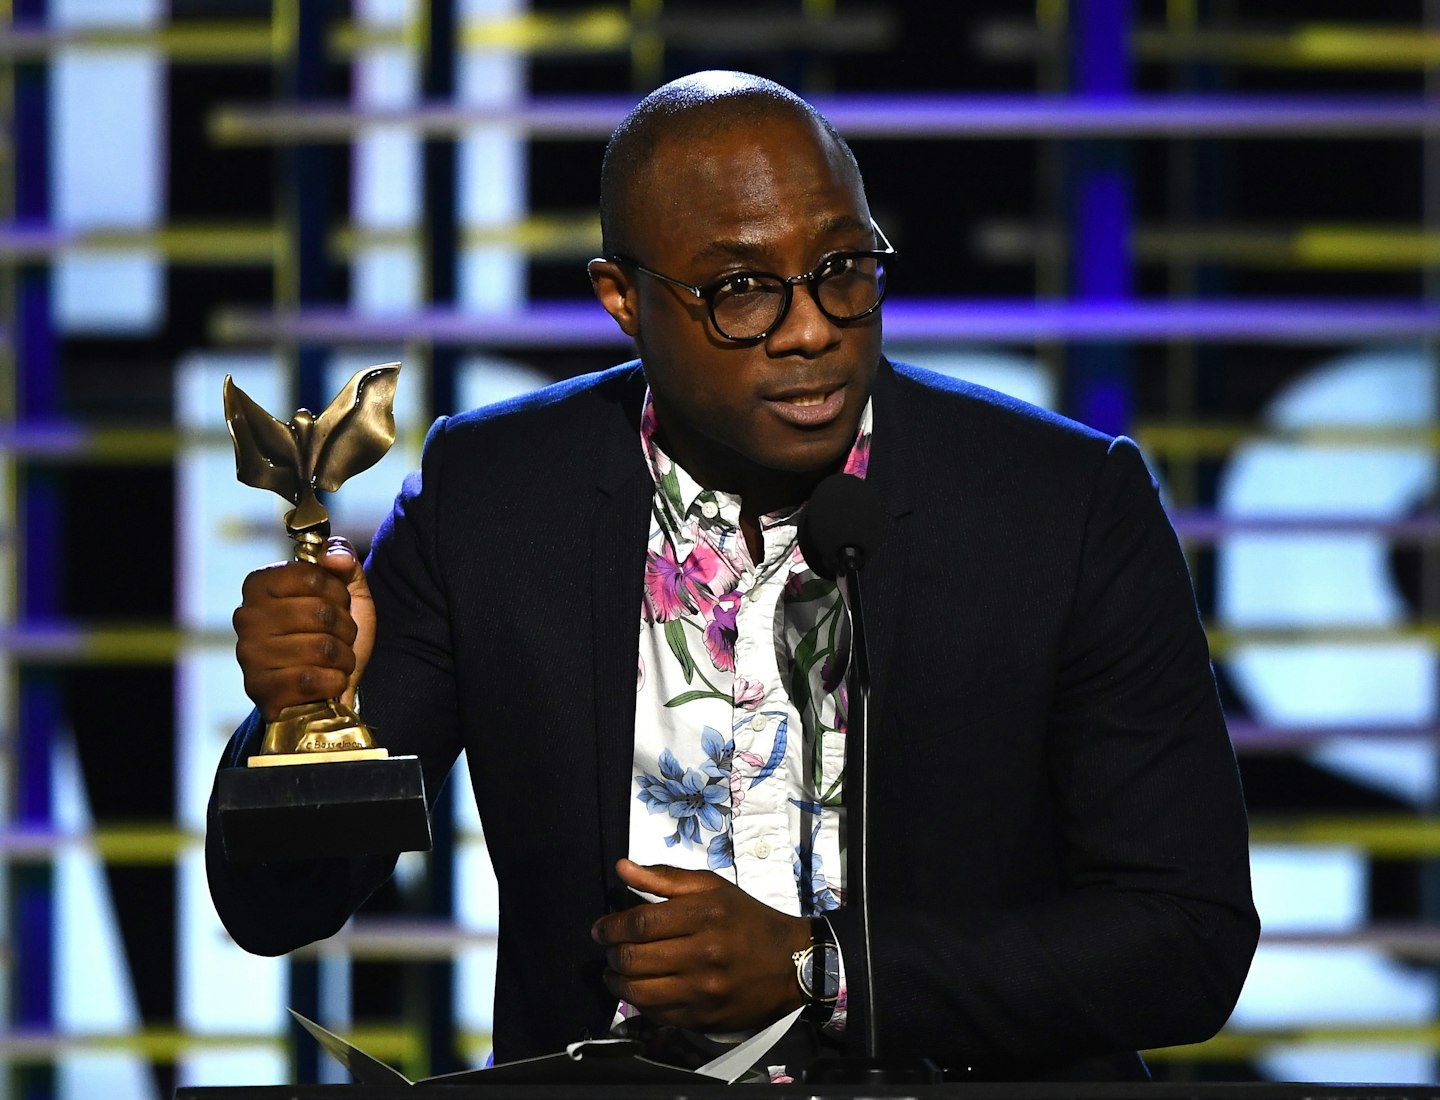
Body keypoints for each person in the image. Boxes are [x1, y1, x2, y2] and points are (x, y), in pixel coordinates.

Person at [209, 70, 1259, 1081]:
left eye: (844, 268)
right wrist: (307, 712)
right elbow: (282, 907)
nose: (809, 329)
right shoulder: (495, 497)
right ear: (623, 297)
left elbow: (1185, 937)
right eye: (740, 290)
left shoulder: (1061, 502)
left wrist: (823, 973)